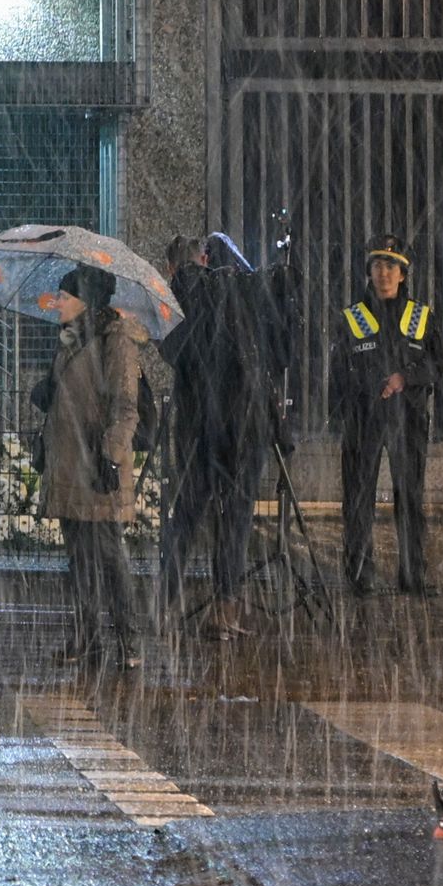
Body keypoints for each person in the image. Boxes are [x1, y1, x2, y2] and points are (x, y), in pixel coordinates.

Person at [160, 236, 277, 638]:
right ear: (205, 260)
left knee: (188, 516)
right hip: (245, 425)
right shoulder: (237, 291)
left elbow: (175, 352)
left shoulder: (179, 299)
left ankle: (166, 604)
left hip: (200, 430)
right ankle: (225, 609)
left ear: (171, 269)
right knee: (236, 519)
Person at [44, 262, 154, 678]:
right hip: (72, 465)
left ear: (84, 301)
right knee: (79, 558)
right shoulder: (71, 340)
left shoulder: (115, 342)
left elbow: (125, 407)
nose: (56, 302)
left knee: (109, 556)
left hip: (99, 465)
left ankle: (128, 639)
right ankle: (86, 636)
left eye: (64, 296)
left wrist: (111, 455)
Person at [331, 240, 443, 596]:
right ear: (369, 272)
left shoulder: (421, 316)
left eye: (391, 267)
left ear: (403, 274)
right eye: (377, 266)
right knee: (358, 497)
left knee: (410, 497)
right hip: (363, 418)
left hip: (408, 417)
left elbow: (437, 366)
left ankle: (412, 576)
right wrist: (368, 386)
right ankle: (358, 575)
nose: (383, 273)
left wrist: (404, 378)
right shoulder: (351, 316)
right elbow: (338, 372)